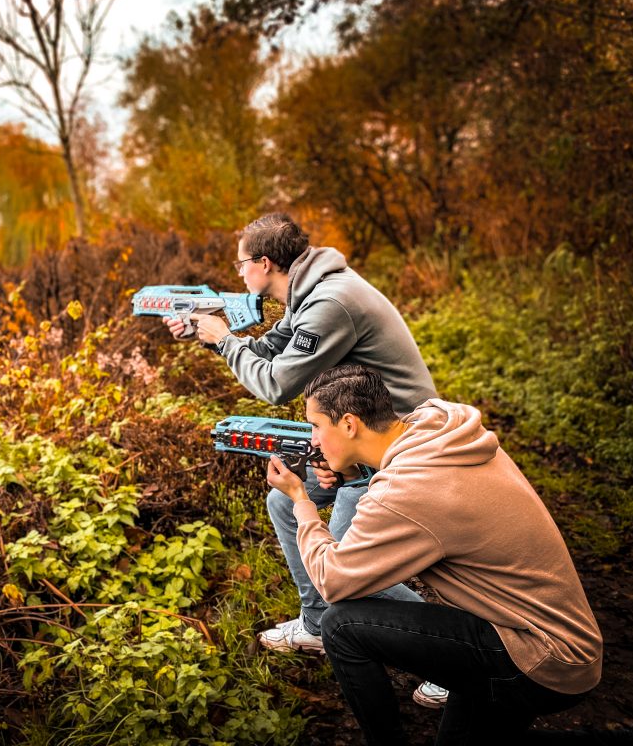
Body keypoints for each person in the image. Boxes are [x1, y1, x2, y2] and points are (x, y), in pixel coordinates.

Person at [164, 212, 448, 707]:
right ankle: (318, 624)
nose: (237, 275)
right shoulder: (310, 291)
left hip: (396, 445)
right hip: (358, 435)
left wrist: (224, 340)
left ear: (265, 263)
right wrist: (207, 336)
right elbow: (273, 353)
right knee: (285, 503)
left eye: (241, 265)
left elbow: (275, 384)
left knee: (343, 560)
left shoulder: (329, 302)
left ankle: (448, 657)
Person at [265, 364, 603, 744]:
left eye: (315, 426)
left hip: (536, 660)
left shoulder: (407, 490)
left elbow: (332, 583)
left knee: (341, 626)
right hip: (547, 635)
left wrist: (300, 499)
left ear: (348, 424)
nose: (313, 440)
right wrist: (349, 470)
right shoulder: (438, 429)